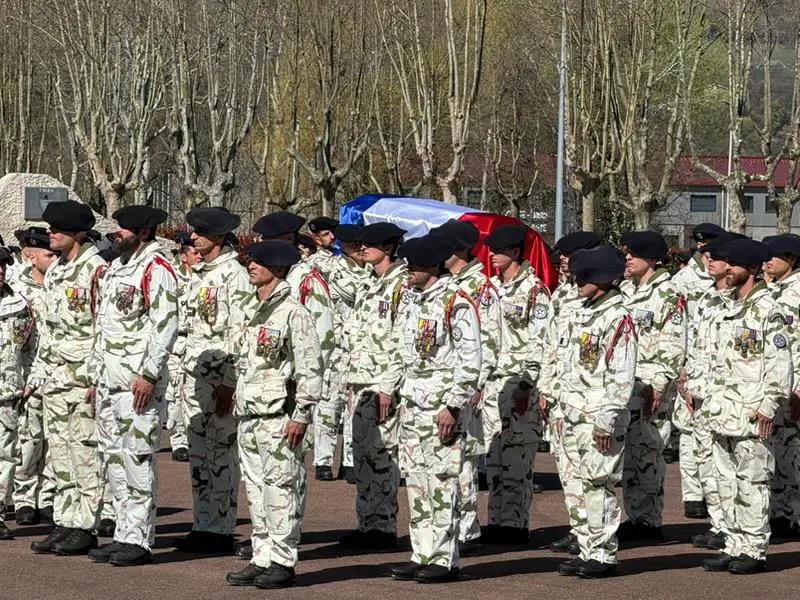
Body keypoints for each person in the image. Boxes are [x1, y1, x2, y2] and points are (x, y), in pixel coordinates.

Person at [223, 240, 324, 589]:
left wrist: (302, 414)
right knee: (256, 490)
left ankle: (282, 560)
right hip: (250, 413)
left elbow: (310, 367)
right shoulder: (251, 309)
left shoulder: (294, 312)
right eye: (251, 261)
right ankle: (262, 555)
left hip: (280, 416)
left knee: (282, 489)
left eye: (260, 262)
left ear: (279, 269)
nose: (251, 266)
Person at [386, 235, 482, 583]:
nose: (408, 271)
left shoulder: (455, 302)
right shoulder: (413, 300)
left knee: (442, 482)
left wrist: (453, 406)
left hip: (441, 406)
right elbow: (402, 352)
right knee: (416, 482)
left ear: (431, 266)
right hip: (413, 404)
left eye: (413, 266)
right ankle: (422, 552)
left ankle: (444, 558)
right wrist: (391, 389)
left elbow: (470, 360)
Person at [86, 205, 178, 566]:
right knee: (114, 460)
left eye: (123, 230)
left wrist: (150, 373)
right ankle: (123, 533)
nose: (116, 234)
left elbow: (165, 325)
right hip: (111, 382)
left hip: (137, 383)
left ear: (143, 232)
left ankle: (139, 539)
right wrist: (96, 375)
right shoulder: (117, 268)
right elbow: (105, 328)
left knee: (137, 459)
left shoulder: (157, 268)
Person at [701, 238, 791, 574]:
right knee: (726, 482)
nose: (726, 269)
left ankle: (753, 549)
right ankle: (733, 543)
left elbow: (780, 365)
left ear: (752, 269)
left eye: (734, 265)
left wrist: (768, 405)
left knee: (752, 482)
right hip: (721, 411)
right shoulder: (727, 307)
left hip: (751, 412)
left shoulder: (768, 310)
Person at [26, 201, 108, 555]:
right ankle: (65, 520)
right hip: (55, 378)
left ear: (76, 232)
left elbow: (105, 328)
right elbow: (48, 330)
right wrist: (38, 374)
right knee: (59, 454)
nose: (50, 234)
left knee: (84, 452)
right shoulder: (57, 270)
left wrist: (97, 378)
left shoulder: (97, 270)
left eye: (56, 229)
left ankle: (86, 526)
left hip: (83, 378)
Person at [550, 246, 637, 578]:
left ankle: (602, 553)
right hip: (574, 413)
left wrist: (607, 419)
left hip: (599, 416)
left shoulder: (617, 318)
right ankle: (587, 547)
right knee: (581, 484)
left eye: (582, 278)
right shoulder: (580, 311)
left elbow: (621, 375)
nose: (575, 283)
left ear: (601, 279)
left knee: (599, 483)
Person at [173, 207, 251, 554]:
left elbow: (240, 332)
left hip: (220, 381)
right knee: (199, 454)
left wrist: (229, 383)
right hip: (196, 378)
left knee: (221, 454)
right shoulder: (201, 274)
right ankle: (203, 523)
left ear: (218, 237)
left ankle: (220, 527)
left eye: (200, 233)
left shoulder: (234, 275)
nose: (193, 238)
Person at [430, 220, 502, 549]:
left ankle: (466, 528)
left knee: (463, 460)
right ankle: (448, 526)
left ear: (459, 249)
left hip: (468, 387)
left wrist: (474, 388)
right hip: (443, 385)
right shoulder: (445, 283)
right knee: (446, 459)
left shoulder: (479, 288)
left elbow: (489, 342)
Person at [481, 223, 551, 545]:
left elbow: (541, 339)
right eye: (491, 250)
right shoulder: (491, 287)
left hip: (518, 383)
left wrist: (528, 382)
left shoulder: (534, 291)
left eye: (498, 251)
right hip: (492, 383)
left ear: (514, 252)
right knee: (494, 457)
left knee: (518, 458)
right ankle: (496, 520)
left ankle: (515, 523)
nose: (492, 255)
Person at [339, 222, 407, 550]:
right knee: (362, 455)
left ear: (389, 248)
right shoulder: (368, 282)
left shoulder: (401, 285)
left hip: (383, 382)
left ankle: (383, 526)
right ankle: (366, 522)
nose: (362, 249)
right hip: (360, 379)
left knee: (382, 455)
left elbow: (401, 341)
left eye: (370, 245)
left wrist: (388, 386)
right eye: (361, 245)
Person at [252, 212, 335, 481]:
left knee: (284, 481)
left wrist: (302, 403)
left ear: (288, 238)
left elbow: (321, 344)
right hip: (260, 397)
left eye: (269, 238)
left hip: (287, 397)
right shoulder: (266, 280)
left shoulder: (307, 281)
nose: (262, 244)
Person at [618, 231, 686, 541]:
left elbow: (674, 345)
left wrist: (659, 384)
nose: (627, 258)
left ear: (651, 259)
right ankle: (636, 515)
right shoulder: (626, 289)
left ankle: (649, 520)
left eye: (634, 254)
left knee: (648, 453)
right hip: (627, 384)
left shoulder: (668, 295)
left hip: (651, 387)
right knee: (630, 457)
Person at [680, 232, 744, 552]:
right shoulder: (707, 298)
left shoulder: (739, 301)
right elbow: (696, 343)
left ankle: (736, 529)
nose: (709, 261)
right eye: (707, 256)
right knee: (707, 462)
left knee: (733, 467)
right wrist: (688, 378)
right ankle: (719, 523)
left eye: (715, 257)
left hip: (729, 395)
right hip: (702, 393)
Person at [539, 230, 599, 555]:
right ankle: (578, 527)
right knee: (567, 467)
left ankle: (594, 533)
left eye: (569, 254)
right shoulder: (562, 293)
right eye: (561, 255)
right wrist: (546, 387)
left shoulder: (597, 294)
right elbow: (551, 346)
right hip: (560, 394)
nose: (562, 259)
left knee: (590, 469)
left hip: (586, 396)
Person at [9, 228, 57, 527]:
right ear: (31, 257)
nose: (55, 259)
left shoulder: (60, 283)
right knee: (28, 439)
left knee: (53, 440)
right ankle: (25, 497)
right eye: (49, 255)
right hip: (26, 374)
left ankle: (48, 497)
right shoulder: (16, 290)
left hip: (54, 372)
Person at [324, 224, 372, 484]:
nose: (360, 249)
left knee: (356, 405)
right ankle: (329, 460)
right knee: (334, 404)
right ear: (343, 246)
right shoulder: (338, 270)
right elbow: (359, 293)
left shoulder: (366, 269)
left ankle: (350, 462)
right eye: (355, 245)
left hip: (361, 345)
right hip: (340, 347)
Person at [761, 234, 800, 538]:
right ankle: (780, 512)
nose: (768, 261)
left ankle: (793, 515)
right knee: (778, 450)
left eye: (775, 256)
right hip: (777, 382)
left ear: (792, 259)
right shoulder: (772, 290)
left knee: (793, 452)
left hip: (796, 382)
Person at [0, 247, 36, 541]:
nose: (0, 271)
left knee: (5, 456)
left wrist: (31, 380)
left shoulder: (19, 305)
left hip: (7, 392)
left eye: (2, 265)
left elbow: (33, 347)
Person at [164, 231, 200, 463]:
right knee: (175, 392)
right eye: (194, 253)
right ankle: (178, 440)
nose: (199, 257)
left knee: (196, 391)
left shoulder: (205, 277)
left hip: (198, 341)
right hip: (177, 342)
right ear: (183, 256)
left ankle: (195, 435)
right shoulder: (171, 277)